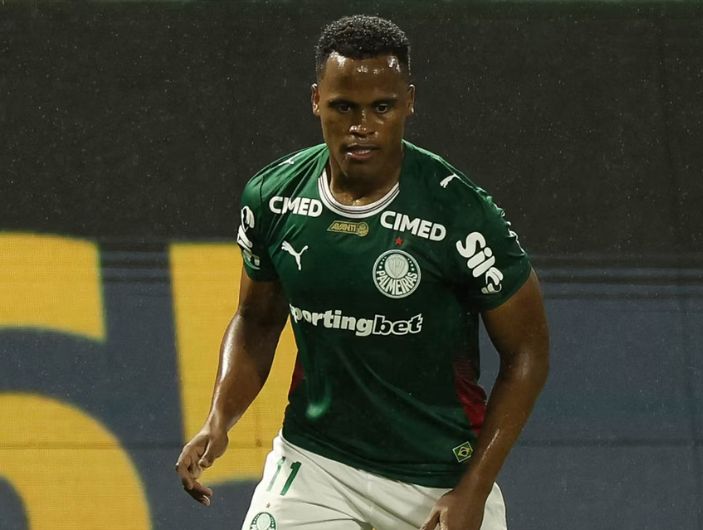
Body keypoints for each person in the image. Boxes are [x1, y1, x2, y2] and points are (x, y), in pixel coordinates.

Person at [175, 14, 549, 530]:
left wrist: (474, 490)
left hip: (436, 476)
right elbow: (256, 321)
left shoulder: (462, 214)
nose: (362, 126)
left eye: (382, 107)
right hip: (317, 463)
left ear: (409, 102)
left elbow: (527, 352)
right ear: (316, 101)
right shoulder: (273, 197)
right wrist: (220, 418)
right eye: (344, 106)